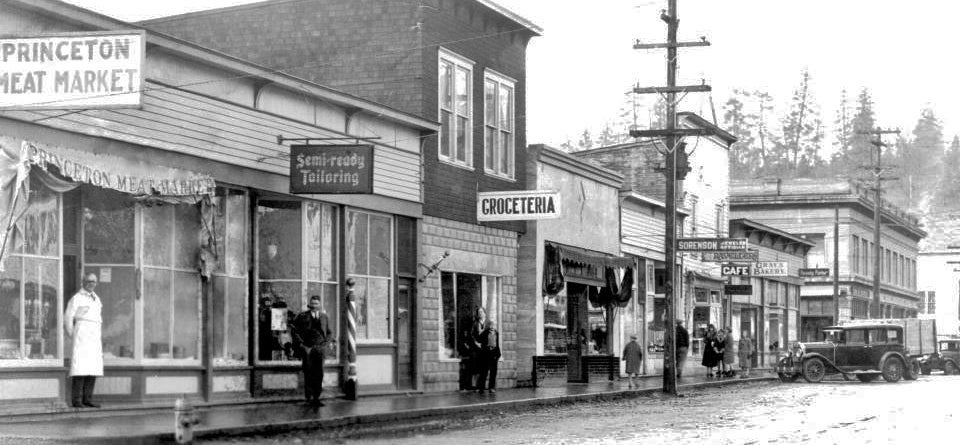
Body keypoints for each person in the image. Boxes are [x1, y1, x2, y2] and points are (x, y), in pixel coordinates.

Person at [64, 273, 103, 408]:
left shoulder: (96, 299)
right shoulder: (76, 298)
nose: (92, 284)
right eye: (89, 281)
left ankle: (88, 399)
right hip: (82, 335)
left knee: (92, 369)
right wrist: (72, 334)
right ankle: (77, 400)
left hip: (94, 337)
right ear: (83, 282)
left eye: (94, 281)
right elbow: (68, 318)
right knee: (80, 369)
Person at [292, 295, 334, 407]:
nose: (314, 306)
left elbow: (329, 332)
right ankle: (308, 398)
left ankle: (317, 398)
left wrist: (325, 345)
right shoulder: (302, 316)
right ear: (309, 304)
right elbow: (294, 331)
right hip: (308, 348)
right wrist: (302, 345)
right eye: (312, 303)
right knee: (308, 372)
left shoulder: (324, 317)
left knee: (319, 373)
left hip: (320, 349)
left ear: (319, 305)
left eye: (316, 303)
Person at [476, 319, 501, 393]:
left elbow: (497, 344)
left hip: (494, 354)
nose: (492, 326)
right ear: (488, 326)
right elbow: (478, 340)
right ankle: (481, 388)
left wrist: (498, 354)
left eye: (493, 325)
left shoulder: (496, 333)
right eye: (491, 325)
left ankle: (491, 387)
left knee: (493, 372)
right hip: (486, 354)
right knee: (484, 371)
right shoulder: (485, 333)